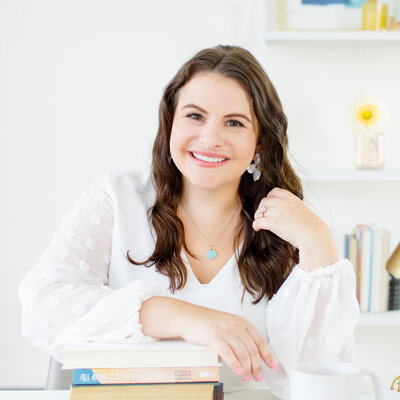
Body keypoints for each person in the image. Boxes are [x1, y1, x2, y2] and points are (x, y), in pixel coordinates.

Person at [18, 44, 359, 399]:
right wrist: (184, 317)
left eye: (234, 122)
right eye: (195, 116)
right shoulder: (115, 199)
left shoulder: (287, 224)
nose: (210, 138)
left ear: (260, 141)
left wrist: (320, 245)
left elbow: (315, 377)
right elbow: (41, 303)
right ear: (170, 124)